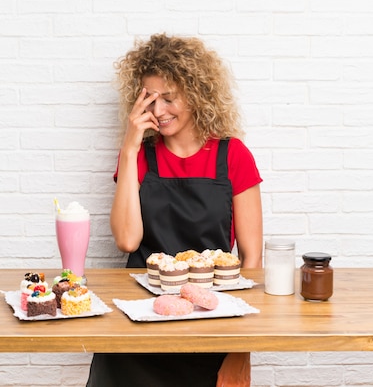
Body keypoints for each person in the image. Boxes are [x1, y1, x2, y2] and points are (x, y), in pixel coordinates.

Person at [86, 33, 263, 387]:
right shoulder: (140, 156)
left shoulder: (233, 156)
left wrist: (241, 351)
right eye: (149, 100)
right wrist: (129, 146)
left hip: (210, 325)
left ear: (196, 94)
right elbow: (126, 239)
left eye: (169, 98)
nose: (158, 111)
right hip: (137, 326)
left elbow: (253, 265)